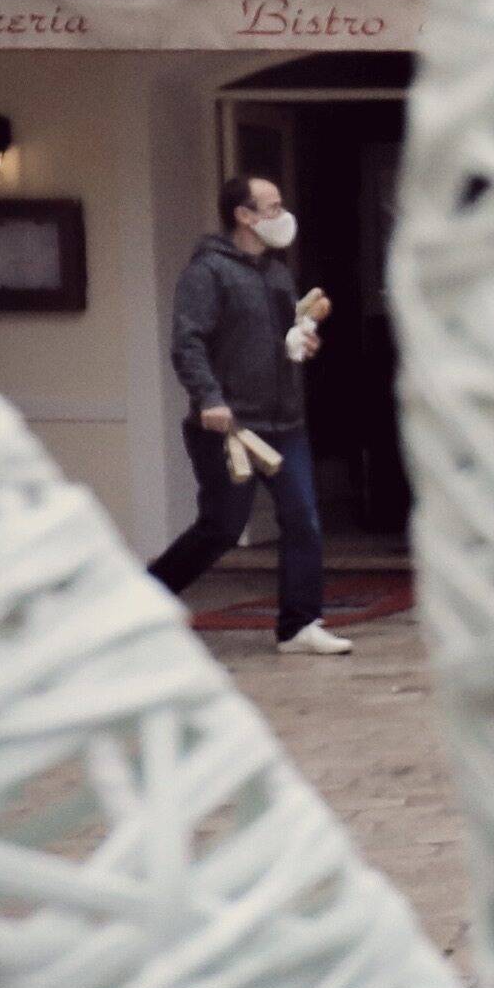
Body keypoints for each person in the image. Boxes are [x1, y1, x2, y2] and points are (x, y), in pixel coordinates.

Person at [145, 173, 346, 653]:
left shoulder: (277, 273)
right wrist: (209, 398)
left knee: (302, 518)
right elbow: (187, 343)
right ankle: (142, 600)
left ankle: (299, 625)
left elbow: (283, 337)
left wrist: (302, 343)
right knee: (221, 527)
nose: (282, 215)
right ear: (245, 216)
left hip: (284, 421)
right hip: (228, 425)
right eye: (272, 207)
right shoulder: (207, 272)